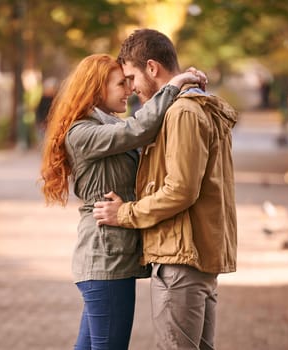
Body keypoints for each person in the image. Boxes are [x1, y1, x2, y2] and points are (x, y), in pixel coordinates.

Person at [40, 53, 205, 350]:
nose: (129, 90)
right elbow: (136, 130)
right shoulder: (82, 132)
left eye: (129, 82)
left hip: (110, 257)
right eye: (121, 83)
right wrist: (173, 86)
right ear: (96, 88)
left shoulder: (103, 126)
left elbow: (137, 132)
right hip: (105, 257)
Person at [93, 29, 238, 350]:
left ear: (152, 68)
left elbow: (181, 190)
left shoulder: (183, 112)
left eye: (131, 76)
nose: (130, 89)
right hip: (195, 255)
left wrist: (124, 213)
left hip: (180, 258)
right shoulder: (196, 106)